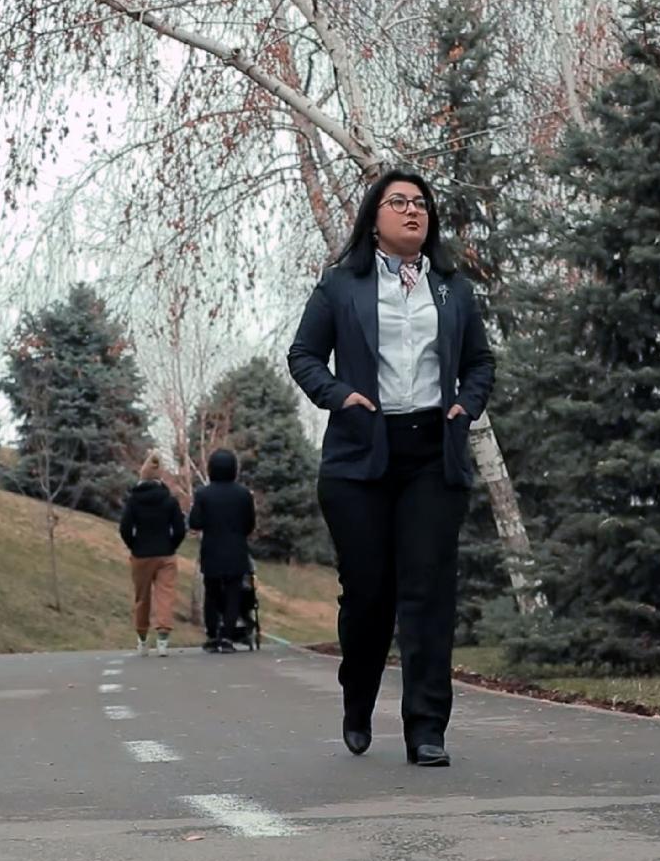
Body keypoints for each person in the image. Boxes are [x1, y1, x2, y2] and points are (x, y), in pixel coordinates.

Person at [286, 169, 494, 768]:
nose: (412, 211)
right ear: (373, 217)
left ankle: (427, 728)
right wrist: (339, 396)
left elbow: (481, 362)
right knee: (370, 596)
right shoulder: (340, 287)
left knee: (427, 595)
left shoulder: (453, 288)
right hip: (360, 458)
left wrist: (465, 405)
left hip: (432, 451)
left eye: (421, 203)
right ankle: (358, 700)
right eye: (398, 202)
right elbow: (303, 355)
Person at [188, 448, 256, 653]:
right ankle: (227, 636)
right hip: (236, 550)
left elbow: (195, 522)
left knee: (212, 593)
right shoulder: (244, 495)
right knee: (234, 594)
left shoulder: (203, 494)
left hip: (212, 550)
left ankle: (212, 634)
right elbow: (249, 525)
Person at [119, 451, 186, 656]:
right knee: (165, 596)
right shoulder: (169, 500)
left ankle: (142, 639)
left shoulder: (133, 501)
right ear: (159, 478)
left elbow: (125, 528)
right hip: (165, 553)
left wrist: (134, 545)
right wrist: (171, 545)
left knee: (142, 598)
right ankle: (163, 641)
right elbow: (180, 529)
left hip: (141, 554)